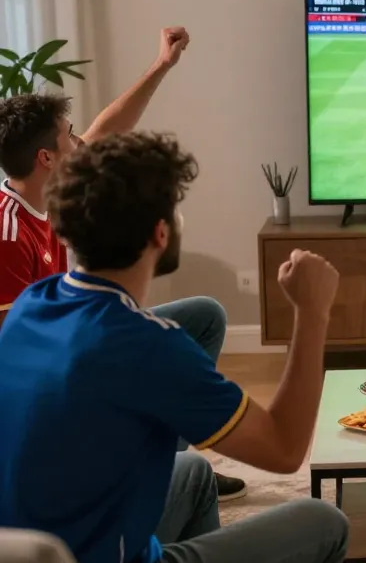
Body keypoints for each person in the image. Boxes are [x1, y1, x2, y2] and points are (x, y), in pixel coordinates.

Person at [0, 132, 348, 563]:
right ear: (160, 233)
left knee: (194, 472)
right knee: (324, 522)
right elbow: (284, 451)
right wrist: (312, 312)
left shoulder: (30, 304)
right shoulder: (147, 345)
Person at [0, 27, 245, 502]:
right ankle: (151, 473)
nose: (82, 142)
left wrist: (162, 65)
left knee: (204, 317)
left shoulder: (48, 188)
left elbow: (108, 129)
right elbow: (16, 354)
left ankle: (171, 466)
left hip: (76, 343)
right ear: (47, 158)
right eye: (71, 136)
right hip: (52, 382)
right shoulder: (7, 235)